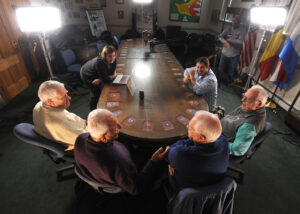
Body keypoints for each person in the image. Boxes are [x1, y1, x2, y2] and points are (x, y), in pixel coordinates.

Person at [74, 109, 170, 195]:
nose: (120, 127)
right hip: (130, 180)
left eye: (117, 123)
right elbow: (136, 188)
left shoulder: (81, 138)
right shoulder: (118, 160)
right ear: (104, 138)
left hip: (99, 172)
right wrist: (153, 161)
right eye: (115, 128)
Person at [168, 111, 229, 189]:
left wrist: (191, 139)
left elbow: (173, 147)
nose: (187, 127)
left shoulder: (180, 153)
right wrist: (193, 137)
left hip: (187, 192)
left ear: (201, 137)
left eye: (190, 128)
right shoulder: (224, 141)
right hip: (214, 185)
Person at [33, 80, 88, 151]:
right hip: (80, 146)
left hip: (78, 130)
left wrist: (85, 122)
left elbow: (69, 116)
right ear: (50, 102)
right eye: (63, 97)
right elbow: (87, 140)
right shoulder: (59, 123)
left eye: (66, 94)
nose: (69, 98)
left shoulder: (41, 104)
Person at [221, 85, 268, 156]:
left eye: (248, 99)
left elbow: (237, 150)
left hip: (221, 142)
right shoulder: (251, 107)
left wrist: (214, 143)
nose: (242, 100)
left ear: (259, 104)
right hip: (219, 131)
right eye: (244, 96)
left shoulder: (249, 126)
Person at [80, 45, 117, 110]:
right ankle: (92, 111)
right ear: (105, 56)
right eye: (110, 56)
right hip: (87, 74)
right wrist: (110, 77)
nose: (112, 58)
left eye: (113, 56)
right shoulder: (99, 62)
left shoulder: (114, 60)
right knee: (96, 94)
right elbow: (108, 79)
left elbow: (110, 73)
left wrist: (101, 79)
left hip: (96, 73)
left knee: (102, 86)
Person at [218, 15, 246, 86]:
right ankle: (218, 80)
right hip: (224, 53)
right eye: (233, 21)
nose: (234, 22)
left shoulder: (242, 30)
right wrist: (225, 42)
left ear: (239, 22)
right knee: (220, 68)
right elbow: (220, 37)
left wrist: (229, 40)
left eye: (236, 21)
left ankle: (229, 82)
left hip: (234, 54)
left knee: (231, 70)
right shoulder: (228, 28)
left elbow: (240, 42)